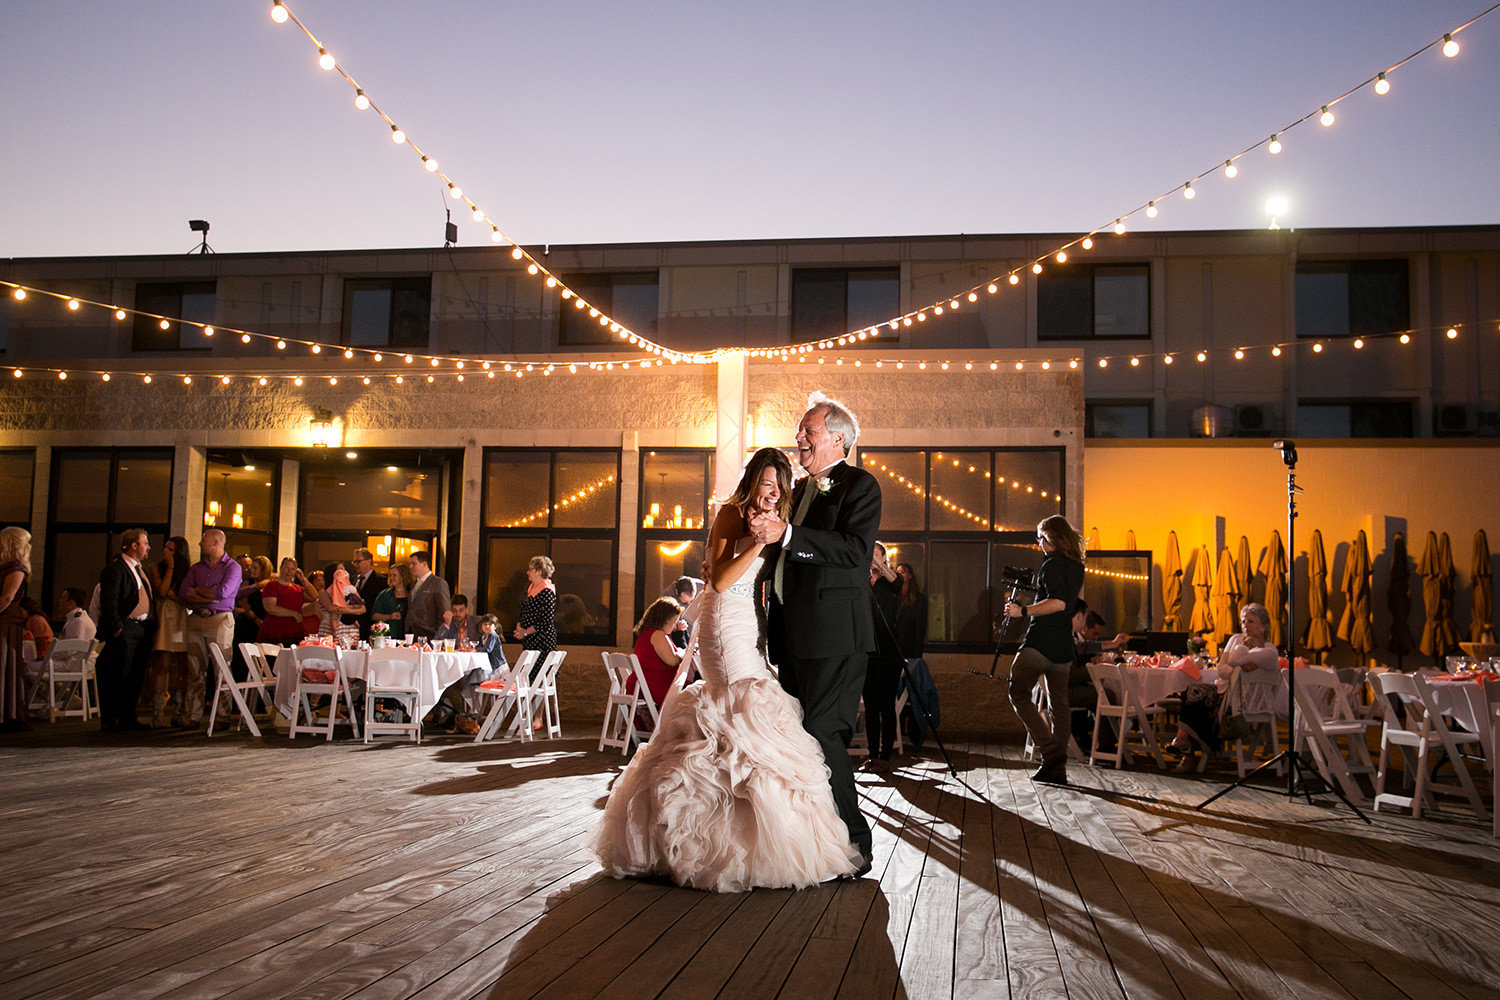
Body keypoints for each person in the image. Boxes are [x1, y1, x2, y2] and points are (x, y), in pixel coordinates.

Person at [593, 447, 861, 890]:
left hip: (747, 622)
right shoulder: (732, 515)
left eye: (781, 486)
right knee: (738, 705)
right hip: (723, 622)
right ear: (752, 482)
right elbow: (718, 580)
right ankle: (708, 844)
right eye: (767, 483)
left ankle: (751, 839)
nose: (773, 493)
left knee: (752, 711)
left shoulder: (771, 521)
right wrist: (757, 540)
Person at [750, 391, 882, 876]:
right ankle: (811, 842)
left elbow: (852, 551)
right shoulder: (798, 490)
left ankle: (855, 842)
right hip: (793, 636)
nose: (798, 437)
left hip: (836, 638)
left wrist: (786, 535)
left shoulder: (860, 486)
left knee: (824, 734)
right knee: (799, 740)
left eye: (809, 430)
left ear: (838, 438)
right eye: (799, 430)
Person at [1004, 515, 1087, 786]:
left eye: (1041, 537)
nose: (1038, 542)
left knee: (1018, 692)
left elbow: (1059, 603)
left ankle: (1051, 755)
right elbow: (1062, 599)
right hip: (1063, 646)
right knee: (1059, 707)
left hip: (1041, 642)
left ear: (1053, 538)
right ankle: (1057, 769)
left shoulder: (1051, 565)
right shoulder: (1076, 566)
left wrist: (1023, 610)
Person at [1171, 603, 1281, 771]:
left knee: (1198, 696)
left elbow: (1235, 661)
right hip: (1224, 693)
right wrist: (1240, 670)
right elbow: (1222, 670)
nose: (1245, 625)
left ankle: (1187, 750)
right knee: (1193, 692)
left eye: (1251, 621)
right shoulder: (1236, 639)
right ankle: (1185, 743)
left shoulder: (1269, 649)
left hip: (1245, 703)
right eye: (1243, 621)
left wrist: (1240, 661)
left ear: (1263, 627)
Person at [177, 529, 241, 729]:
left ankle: (223, 715)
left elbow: (223, 593)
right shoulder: (197, 568)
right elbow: (183, 592)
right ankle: (192, 716)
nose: (199, 544)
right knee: (195, 669)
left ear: (215, 543)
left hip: (219, 619)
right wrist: (205, 595)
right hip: (196, 619)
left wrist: (197, 592)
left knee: (221, 668)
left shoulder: (232, 567)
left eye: (203, 540)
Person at [96, 528, 156, 733]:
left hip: (142, 629)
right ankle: (110, 720)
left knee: (135, 675)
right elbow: (109, 602)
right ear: (133, 546)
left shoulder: (141, 569)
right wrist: (117, 629)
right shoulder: (116, 569)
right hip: (126, 628)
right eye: (145, 543)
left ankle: (128, 716)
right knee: (117, 674)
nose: (148, 547)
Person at [426, 613, 511, 735]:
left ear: (495, 626)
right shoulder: (485, 637)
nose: (487, 627)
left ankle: (474, 713)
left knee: (473, 682)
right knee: (472, 680)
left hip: (498, 671)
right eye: (485, 624)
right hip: (491, 669)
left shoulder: (492, 635)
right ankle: (472, 713)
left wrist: (474, 649)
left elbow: (487, 650)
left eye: (490, 624)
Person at [1065, 598, 1131, 754]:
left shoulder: (1062, 633)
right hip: (1059, 691)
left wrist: (1112, 644)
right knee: (1104, 695)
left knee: (1103, 692)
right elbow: (1070, 674)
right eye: (1085, 618)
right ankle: (1106, 747)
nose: (1085, 623)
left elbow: (1083, 647)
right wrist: (1096, 670)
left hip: (1055, 687)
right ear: (1079, 617)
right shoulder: (1063, 637)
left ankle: (1105, 743)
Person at [863, 543, 903, 771]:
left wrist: (879, 564)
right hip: (867, 651)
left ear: (884, 558)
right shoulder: (863, 581)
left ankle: (885, 756)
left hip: (888, 651)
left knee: (886, 704)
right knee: (870, 705)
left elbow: (898, 583)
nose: (872, 559)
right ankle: (871, 754)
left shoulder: (890, 583)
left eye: (876, 555)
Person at [144, 535, 191, 729]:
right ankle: (158, 713)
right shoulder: (156, 567)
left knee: (182, 667)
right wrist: (169, 566)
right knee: (161, 665)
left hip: (181, 618)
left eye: (171, 550)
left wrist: (175, 594)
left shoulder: (188, 571)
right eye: (165, 548)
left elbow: (186, 598)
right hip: (164, 616)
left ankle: (178, 711)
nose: (166, 552)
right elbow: (162, 590)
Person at [0, 526, 34, 732]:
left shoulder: (16, 567)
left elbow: (7, 597)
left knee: (4, 666)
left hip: (5, 621)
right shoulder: (8, 566)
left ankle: (8, 714)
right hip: (4, 619)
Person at [628, 597, 684, 713]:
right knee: (696, 692)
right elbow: (672, 661)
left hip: (642, 685)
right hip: (654, 687)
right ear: (664, 619)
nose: (675, 626)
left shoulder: (646, 634)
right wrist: (683, 654)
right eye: (674, 621)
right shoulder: (658, 635)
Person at [259, 557, 316, 646]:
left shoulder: (297, 589)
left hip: (294, 635)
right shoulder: (272, 585)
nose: (289, 571)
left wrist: (303, 579)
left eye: (292, 569)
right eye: (286, 568)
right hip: (275, 635)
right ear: (281, 568)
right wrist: (293, 613)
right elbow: (270, 608)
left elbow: (314, 596)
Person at [512, 555, 556, 657]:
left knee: (538, 670)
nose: (528, 572)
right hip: (529, 638)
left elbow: (546, 620)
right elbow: (523, 610)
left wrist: (526, 632)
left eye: (531, 569)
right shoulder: (529, 588)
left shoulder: (547, 591)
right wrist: (519, 626)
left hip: (542, 640)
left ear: (539, 571)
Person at [405, 551, 451, 641]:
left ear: (424, 564)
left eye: (414, 563)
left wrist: (437, 633)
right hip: (412, 633)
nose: (410, 567)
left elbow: (444, 610)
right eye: (410, 564)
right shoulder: (414, 584)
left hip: (429, 633)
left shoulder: (438, 583)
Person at [317, 563, 364, 646]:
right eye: (340, 569)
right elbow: (332, 608)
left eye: (344, 569)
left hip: (349, 628)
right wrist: (351, 608)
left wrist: (348, 610)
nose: (344, 571)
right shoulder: (324, 592)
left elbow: (362, 608)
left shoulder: (350, 589)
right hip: (330, 629)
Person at [350, 547, 385, 641]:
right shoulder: (353, 580)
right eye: (354, 562)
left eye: (358, 561)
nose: (355, 565)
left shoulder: (380, 581)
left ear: (369, 561)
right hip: (353, 627)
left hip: (370, 625)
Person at [371, 562, 412, 637]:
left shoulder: (412, 594)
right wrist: (389, 616)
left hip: (408, 635)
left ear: (403, 577)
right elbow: (374, 615)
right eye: (390, 575)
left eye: (394, 575)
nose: (391, 578)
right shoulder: (384, 595)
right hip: (390, 635)